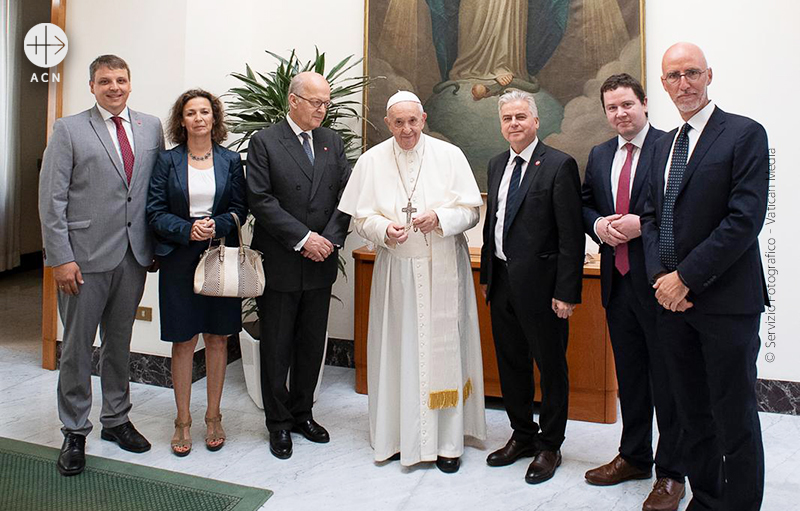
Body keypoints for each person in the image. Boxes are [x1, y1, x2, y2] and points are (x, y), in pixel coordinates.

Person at [640, 42, 769, 511]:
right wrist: (660, 277)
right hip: (672, 306)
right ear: (663, 84)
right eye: (673, 76)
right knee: (692, 416)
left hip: (725, 305)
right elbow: (651, 217)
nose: (683, 84)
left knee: (733, 418)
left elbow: (743, 220)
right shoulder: (663, 145)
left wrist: (685, 279)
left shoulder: (743, 134)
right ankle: (709, 499)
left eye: (691, 73)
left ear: (709, 75)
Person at [338, 91, 486, 473]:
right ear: (388, 124)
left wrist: (440, 218)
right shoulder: (371, 161)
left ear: (424, 117)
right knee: (398, 352)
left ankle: (448, 443)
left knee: (445, 352)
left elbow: (471, 211)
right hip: (397, 276)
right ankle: (397, 438)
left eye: (413, 121)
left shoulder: (449, 156)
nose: (407, 129)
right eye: (398, 123)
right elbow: (358, 218)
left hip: (443, 269)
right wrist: (383, 228)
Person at [38, 55, 164, 476]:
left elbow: (155, 192)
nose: (114, 87)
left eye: (121, 79)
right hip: (82, 260)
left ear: (131, 83)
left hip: (133, 256)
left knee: (119, 343)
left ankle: (116, 419)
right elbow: (51, 200)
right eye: (105, 81)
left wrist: (158, 244)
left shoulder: (151, 128)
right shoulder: (69, 129)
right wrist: (61, 258)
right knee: (75, 348)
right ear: (91, 86)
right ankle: (74, 431)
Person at [581, 73, 685, 510]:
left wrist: (639, 226)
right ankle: (634, 456)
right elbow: (586, 202)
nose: (620, 114)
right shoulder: (600, 153)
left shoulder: (671, 147)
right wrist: (599, 225)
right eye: (612, 108)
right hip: (618, 285)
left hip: (659, 283)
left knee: (669, 383)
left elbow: (680, 208)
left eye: (627, 104)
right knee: (631, 379)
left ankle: (672, 474)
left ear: (644, 103)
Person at [246, 72, 352, 460]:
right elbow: (260, 199)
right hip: (282, 260)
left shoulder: (331, 141)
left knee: (311, 342)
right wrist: (305, 239)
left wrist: (327, 241)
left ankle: (303, 413)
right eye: (315, 102)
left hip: (322, 259)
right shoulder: (265, 142)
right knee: (276, 345)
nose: (322, 109)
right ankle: (278, 423)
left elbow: (346, 196)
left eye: (326, 103)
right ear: (293, 101)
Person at [480, 89, 583, 484]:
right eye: (507, 118)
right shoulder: (495, 164)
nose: (514, 124)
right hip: (503, 283)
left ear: (536, 121)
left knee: (551, 367)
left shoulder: (559, 165)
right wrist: (489, 277)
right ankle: (522, 435)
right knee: (512, 364)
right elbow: (494, 226)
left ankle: (549, 445)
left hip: (545, 289)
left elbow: (572, 236)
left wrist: (566, 292)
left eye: (521, 117)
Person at [146, 89, 247, 456]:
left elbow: (240, 208)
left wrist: (215, 225)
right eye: (191, 113)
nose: (199, 118)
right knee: (184, 340)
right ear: (182, 120)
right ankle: (183, 420)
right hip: (179, 259)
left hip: (219, 256)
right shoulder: (166, 161)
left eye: (205, 111)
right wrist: (188, 229)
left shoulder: (231, 160)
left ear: (214, 119)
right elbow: (154, 211)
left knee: (218, 338)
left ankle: (214, 416)